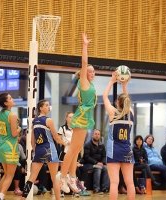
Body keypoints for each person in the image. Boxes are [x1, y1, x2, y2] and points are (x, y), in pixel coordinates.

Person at [56, 33, 97, 193]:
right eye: (89, 71)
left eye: (94, 72)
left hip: (87, 116)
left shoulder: (91, 85)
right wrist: (85, 45)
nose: (92, 73)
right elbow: (84, 62)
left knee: (77, 148)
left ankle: (71, 176)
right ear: (84, 74)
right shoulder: (83, 82)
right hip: (82, 116)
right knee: (73, 148)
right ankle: (62, 175)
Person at [21, 99, 67, 200]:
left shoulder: (35, 121)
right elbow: (56, 138)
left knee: (32, 177)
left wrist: (35, 150)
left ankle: (23, 198)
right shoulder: (48, 120)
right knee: (54, 178)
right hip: (50, 149)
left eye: (49, 105)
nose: (48, 107)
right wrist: (66, 143)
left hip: (39, 150)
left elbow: (32, 140)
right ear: (40, 108)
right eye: (46, 105)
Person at [102, 71, 135, 200]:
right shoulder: (131, 113)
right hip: (127, 150)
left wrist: (112, 81)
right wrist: (124, 85)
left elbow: (104, 97)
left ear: (117, 103)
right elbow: (126, 100)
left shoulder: (113, 112)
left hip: (114, 150)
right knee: (130, 182)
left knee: (114, 183)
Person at [0, 93, 22, 200]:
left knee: (6, 174)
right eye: (10, 98)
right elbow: (15, 134)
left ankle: (0, 196)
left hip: (1, 145)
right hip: (11, 146)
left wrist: (14, 124)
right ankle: (0, 197)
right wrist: (19, 128)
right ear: (6, 103)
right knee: (10, 175)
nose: (13, 99)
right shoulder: (12, 115)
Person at [83, 129, 110, 194]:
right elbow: (86, 157)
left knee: (106, 168)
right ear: (92, 135)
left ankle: (105, 188)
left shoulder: (102, 146)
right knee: (98, 168)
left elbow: (104, 156)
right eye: (95, 134)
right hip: (89, 164)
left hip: (99, 164)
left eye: (98, 134)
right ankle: (96, 189)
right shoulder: (87, 144)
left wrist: (103, 163)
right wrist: (96, 162)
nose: (97, 135)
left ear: (100, 136)